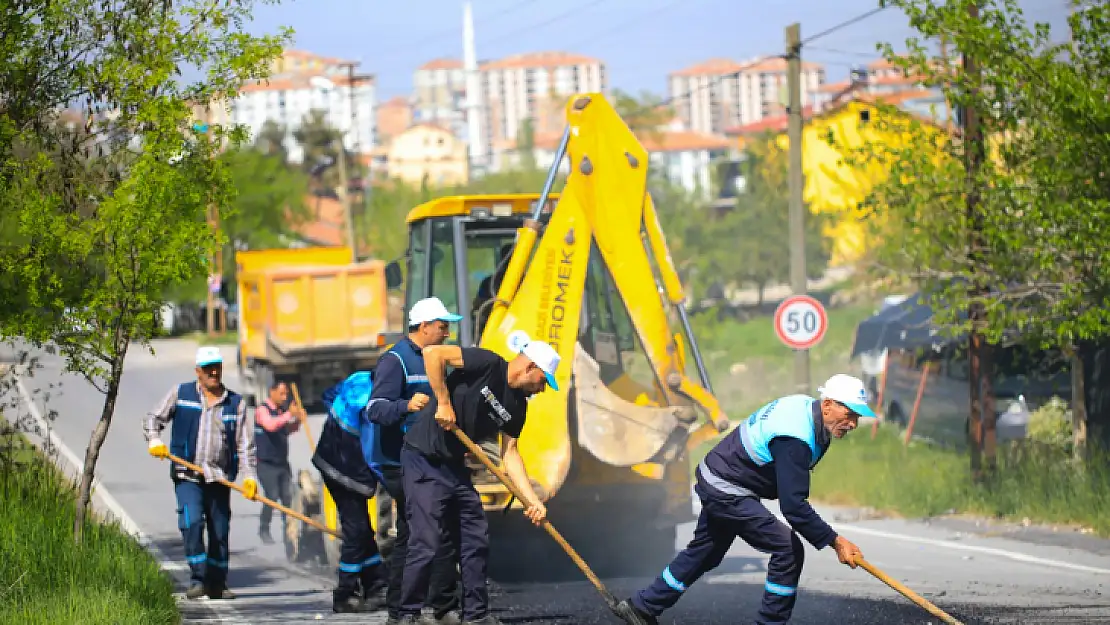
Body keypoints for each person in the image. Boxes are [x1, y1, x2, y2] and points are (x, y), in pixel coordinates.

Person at [614, 374, 873, 625]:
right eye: (849, 414)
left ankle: (641, 607)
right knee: (788, 549)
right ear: (828, 405)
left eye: (857, 417)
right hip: (727, 487)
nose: (853, 424)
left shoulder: (806, 409)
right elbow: (793, 506)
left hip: (719, 476)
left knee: (706, 552)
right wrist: (835, 541)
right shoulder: (794, 437)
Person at [394, 330, 560, 625]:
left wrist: (532, 501)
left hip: (455, 466)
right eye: (543, 381)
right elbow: (434, 353)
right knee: (427, 540)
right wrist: (443, 402)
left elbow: (510, 453)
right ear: (530, 367)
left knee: (475, 536)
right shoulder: (487, 363)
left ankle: (475, 616)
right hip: (423, 458)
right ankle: (406, 615)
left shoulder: (518, 406)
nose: (542, 389)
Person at [367, 297, 465, 625]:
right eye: (442, 327)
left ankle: (424, 608)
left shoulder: (438, 358)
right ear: (423, 327)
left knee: (425, 530)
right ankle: (415, 610)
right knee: (426, 529)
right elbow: (375, 409)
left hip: (432, 456)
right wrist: (405, 406)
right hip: (400, 462)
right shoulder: (395, 361)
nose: (447, 333)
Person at [144, 346, 258, 601]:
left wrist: (249, 477)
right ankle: (198, 578)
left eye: (217, 367)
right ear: (198, 371)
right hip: (187, 474)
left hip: (218, 477)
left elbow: (245, 445)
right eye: (208, 369)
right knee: (192, 522)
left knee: (220, 530)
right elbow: (153, 417)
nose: (214, 372)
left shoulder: (235, 403)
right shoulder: (181, 393)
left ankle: (217, 584)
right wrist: (154, 439)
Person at [313, 370, 387, 614]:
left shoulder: (358, 378)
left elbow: (328, 396)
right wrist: (389, 482)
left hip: (327, 457)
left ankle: (376, 586)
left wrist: (339, 426)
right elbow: (372, 451)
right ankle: (344, 594)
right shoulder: (372, 405)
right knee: (356, 531)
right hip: (346, 470)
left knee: (363, 529)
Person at [253, 380, 302, 544]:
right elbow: (271, 426)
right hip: (266, 464)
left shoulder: (281, 411)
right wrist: (289, 414)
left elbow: (284, 430)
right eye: (281, 393)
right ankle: (264, 528)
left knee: (288, 499)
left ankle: (288, 534)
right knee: (272, 496)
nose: (284, 397)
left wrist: (298, 420)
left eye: (286, 394)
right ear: (272, 392)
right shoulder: (262, 410)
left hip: (282, 463)